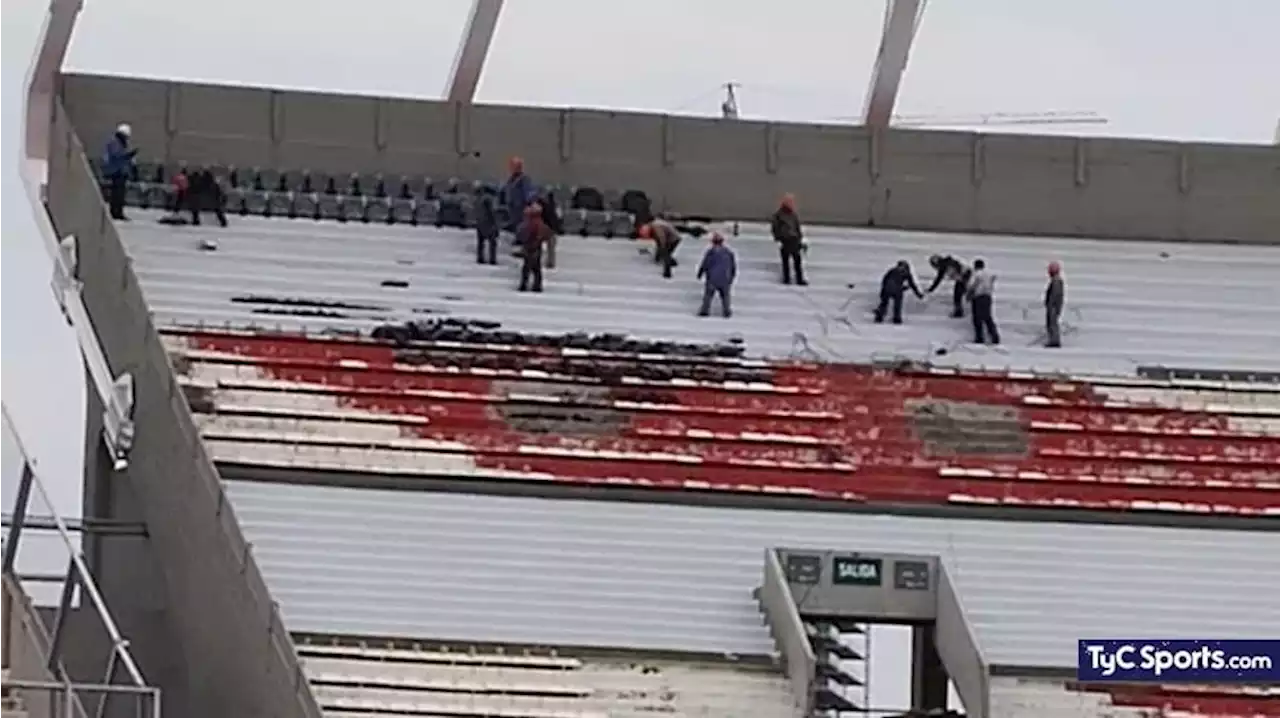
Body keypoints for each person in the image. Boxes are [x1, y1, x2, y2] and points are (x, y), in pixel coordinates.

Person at [102, 123, 137, 221]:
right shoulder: (115, 142)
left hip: (121, 171)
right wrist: (128, 155)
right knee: (117, 194)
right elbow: (117, 155)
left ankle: (118, 211)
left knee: (120, 193)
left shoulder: (121, 143)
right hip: (116, 171)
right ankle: (116, 212)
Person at [696, 233, 736, 318]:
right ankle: (727, 311)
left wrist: (700, 273)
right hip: (725, 277)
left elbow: (705, 264)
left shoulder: (710, 252)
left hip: (712, 278)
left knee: (708, 296)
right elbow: (733, 266)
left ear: (713, 242)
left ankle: (705, 311)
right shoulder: (729, 252)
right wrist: (732, 277)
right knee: (725, 296)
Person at [771, 193, 806, 285]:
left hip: (794, 239)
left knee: (797, 261)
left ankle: (799, 279)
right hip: (785, 239)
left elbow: (797, 227)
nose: (791, 204)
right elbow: (775, 227)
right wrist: (778, 237)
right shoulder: (779, 215)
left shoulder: (793, 215)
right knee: (786, 261)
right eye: (789, 202)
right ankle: (787, 278)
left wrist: (800, 237)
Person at [874, 260, 923, 325]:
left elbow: (885, 280)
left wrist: (882, 291)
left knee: (884, 303)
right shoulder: (907, 273)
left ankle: (879, 317)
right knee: (897, 304)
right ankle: (897, 319)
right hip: (897, 289)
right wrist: (918, 294)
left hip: (887, 288)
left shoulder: (892, 270)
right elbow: (912, 284)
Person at [517, 204, 553, 293]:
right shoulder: (540, 222)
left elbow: (522, 233)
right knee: (536, 268)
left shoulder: (530, 223)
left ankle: (524, 285)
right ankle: (537, 286)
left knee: (527, 268)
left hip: (530, 247)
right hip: (537, 247)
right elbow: (547, 234)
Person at [499, 156, 537, 233]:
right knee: (514, 222)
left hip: (520, 206)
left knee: (521, 223)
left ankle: (521, 237)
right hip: (511, 206)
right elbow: (505, 189)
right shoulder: (510, 179)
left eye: (514, 166)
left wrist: (530, 202)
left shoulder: (524, 179)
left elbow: (528, 191)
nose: (512, 169)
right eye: (511, 166)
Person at [967, 258, 1000, 345]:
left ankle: (979, 338)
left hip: (978, 297)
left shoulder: (976, 274)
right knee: (988, 317)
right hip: (988, 297)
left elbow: (971, 285)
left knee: (977, 318)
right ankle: (994, 336)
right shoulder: (989, 274)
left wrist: (968, 295)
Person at [1044, 261, 1065, 348]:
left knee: (1053, 323)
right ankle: (1053, 339)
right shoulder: (1056, 280)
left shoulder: (1056, 281)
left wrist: (1050, 305)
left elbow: (1054, 295)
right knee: (1052, 323)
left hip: (1053, 306)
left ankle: (1054, 340)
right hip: (1054, 306)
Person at [474, 193, 499, 265]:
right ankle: (492, 259)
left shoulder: (479, 200)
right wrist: (495, 224)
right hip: (489, 224)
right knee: (492, 243)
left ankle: (480, 258)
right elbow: (492, 213)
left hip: (480, 223)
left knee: (480, 242)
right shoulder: (489, 200)